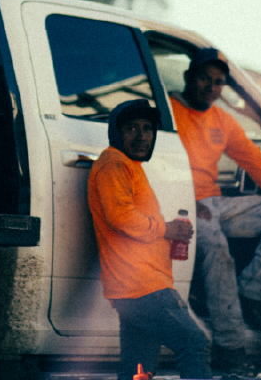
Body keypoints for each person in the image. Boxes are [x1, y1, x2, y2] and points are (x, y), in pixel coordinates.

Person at [168, 47, 261, 376]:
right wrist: (188, 203)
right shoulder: (167, 110)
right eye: (204, 78)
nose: (211, 87)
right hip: (181, 206)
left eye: (218, 82)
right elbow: (156, 162)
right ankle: (231, 347)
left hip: (214, 204)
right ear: (188, 77)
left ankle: (251, 293)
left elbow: (257, 163)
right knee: (218, 248)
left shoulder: (222, 120)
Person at [88, 99, 211, 380]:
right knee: (194, 343)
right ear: (116, 133)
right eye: (131, 128)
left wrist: (170, 233)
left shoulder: (128, 166)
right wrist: (166, 229)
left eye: (147, 128)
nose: (142, 136)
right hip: (142, 286)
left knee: (138, 372)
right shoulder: (114, 163)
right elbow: (120, 217)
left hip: (133, 288)